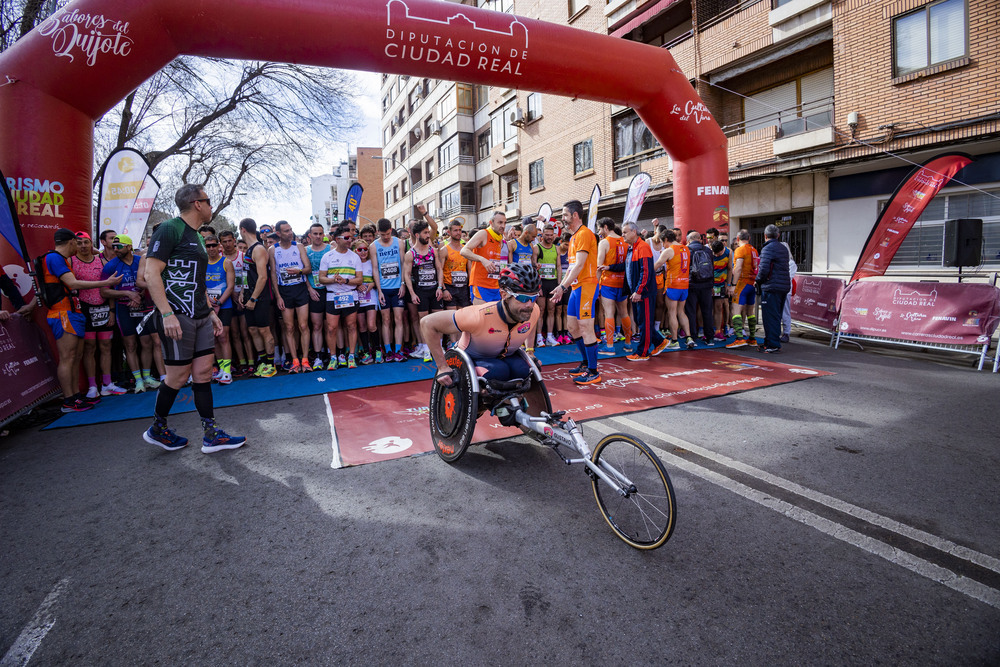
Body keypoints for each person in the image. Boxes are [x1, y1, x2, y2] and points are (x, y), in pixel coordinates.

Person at [142, 185, 245, 453]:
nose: (212, 206)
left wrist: (210, 312)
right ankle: (158, 428)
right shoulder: (169, 229)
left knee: (202, 373)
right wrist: (166, 314)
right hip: (177, 314)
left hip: (200, 314)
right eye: (208, 201)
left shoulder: (198, 236)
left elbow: (196, 281)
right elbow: (151, 274)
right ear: (197, 204)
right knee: (177, 376)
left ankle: (211, 434)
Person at [39, 228, 122, 412]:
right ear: (71, 242)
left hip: (72, 311)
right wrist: (105, 283)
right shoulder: (54, 258)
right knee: (68, 357)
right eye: (77, 243)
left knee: (75, 356)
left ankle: (76, 396)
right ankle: (68, 400)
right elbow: (73, 283)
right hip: (62, 313)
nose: (80, 247)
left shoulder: (61, 259)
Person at [422, 264, 541, 386]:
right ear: (504, 295)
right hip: (473, 358)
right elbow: (427, 323)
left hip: (506, 357)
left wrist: (530, 351)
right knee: (499, 371)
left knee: (524, 370)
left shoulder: (533, 310)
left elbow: (529, 326)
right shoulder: (478, 316)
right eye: (522, 298)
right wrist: (442, 367)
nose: (529, 305)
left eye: (534, 297)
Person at [550, 200, 601, 386]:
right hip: (576, 287)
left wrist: (562, 287)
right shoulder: (573, 238)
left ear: (575, 215)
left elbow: (579, 265)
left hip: (587, 285)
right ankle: (587, 363)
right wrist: (564, 286)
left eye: (564, 215)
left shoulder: (585, 234)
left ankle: (594, 371)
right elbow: (572, 267)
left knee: (586, 327)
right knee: (572, 327)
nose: (562, 218)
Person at [101, 234, 161, 393]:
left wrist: (139, 295)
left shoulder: (140, 260)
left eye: (119, 246)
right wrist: (127, 294)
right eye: (114, 246)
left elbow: (148, 281)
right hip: (124, 308)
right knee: (130, 344)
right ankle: (138, 380)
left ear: (129, 247)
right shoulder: (110, 266)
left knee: (147, 343)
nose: (115, 249)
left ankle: (147, 377)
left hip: (143, 306)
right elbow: (104, 291)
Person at [600, 221, 668, 361]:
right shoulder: (632, 248)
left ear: (634, 232)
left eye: (625, 232)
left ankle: (643, 352)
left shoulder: (642, 247)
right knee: (640, 320)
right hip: (637, 292)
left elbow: (646, 271)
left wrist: (639, 291)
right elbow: (626, 267)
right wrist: (609, 267)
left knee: (644, 322)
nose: (622, 234)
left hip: (644, 293)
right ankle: (660, 342)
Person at [71, 231, 120, 398]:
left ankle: (108, 384)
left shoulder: (100, 260)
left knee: (106, 346)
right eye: (79, 243)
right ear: (74, 245)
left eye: (86, 242)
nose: (83, 246)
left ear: (91, 243)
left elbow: (110, 288)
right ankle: (93, 386)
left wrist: (112, 311)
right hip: (84, 308)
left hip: (104, 306)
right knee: (89, 348)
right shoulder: (71, 262)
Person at [270, 220, 316, 372]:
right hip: (284, 291)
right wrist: (278, 296)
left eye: (290, 230)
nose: (290, 233)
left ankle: (305, 360)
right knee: (289, 327)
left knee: (303, 325)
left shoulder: (299, 246)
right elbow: (273, 275)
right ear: (278, 233)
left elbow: (308, 268)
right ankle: (295, 361)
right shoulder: (273, 250)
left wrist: (299, 272)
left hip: (300, 289)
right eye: (286, 231)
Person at [320, 222, 362, 369]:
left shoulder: (355, 257)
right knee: (332, 328)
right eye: (346, 237)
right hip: (333, 296)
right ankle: (333, 357)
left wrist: (346, 280)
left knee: (351, 326)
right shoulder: (327, 256)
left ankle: (351, 356)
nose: (350, 240)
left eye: (351, 237)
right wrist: (333, 280)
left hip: (350, 295)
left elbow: (359, 280)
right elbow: (321, 279)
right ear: (337, 239)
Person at [239, 218, 277, 377]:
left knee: (264, 330)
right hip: (248, 295)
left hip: (260, 297)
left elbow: (262, 277)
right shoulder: (248, 249)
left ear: (242, 230)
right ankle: (262, 362)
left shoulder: (259, 249)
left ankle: (270, 364)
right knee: (253, 330)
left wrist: (253, 299)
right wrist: (242, 292)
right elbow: (247, 274)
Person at [402, 220, 443, 363]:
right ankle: (426, 348)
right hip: (421, 291)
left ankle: (438, 347)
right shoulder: (410, 254)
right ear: (417, 234)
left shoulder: (433, 250)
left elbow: (439, 269)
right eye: (425, 233)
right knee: (423, 321)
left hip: (434, 290)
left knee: (439, 320)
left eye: (428, 232)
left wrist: (440, 287)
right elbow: (406, 275)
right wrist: (412, 293)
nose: (428, 235)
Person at [370, 218, 407, 362]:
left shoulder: (399, 243)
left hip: (398, 287)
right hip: (384, 288)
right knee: (386, 320)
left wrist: (403, 283)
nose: (385, 237)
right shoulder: (373, 246)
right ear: (377, 232)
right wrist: (379, 291)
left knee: (398, 319)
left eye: (387, 234)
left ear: (391, 230)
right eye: (382, 235)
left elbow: (403, 263)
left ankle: (398, 350)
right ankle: (388, 351)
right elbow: (375, 269)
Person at [595, 217, 632, 355]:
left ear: (605, 227)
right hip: (623, 282)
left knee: (609, 313)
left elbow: (599, 267)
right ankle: (628, 344)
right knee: (624, 313)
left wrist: (596, 286)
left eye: (599, 229)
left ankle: (610, 346)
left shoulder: (604, 242)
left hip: (608, 282)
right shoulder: (625, 241)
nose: (599, 232)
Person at [654, 230, 695, 350]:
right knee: (681, 312)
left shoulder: (669, 250)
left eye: (662, 242)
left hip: (673, 285)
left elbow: (657, 265)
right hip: (684, 285)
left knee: (672, 313)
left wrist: (645, 272)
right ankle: (689, 337)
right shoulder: (685, 249)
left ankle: (675, 340)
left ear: (666, 239)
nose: (662, 245)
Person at [220, 230, 253, 376]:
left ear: (234, 240)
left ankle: (251, 362)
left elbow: (246, 277)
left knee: (245, 332)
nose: (227, 244)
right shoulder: (219, 258)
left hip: (242, 297)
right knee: (234, 333)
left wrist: (241, 294)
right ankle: (242, 363)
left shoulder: (243, 256)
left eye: (229, 241)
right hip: (227, 299)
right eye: (224, 241)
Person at [204, 235, 235, 383]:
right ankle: (222, 368)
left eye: (213, 245)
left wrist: (219, 303)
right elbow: (200, 286)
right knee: (214, 338)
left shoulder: (226, 262)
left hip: (224, 305)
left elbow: (230, 286)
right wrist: (210, 305)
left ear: (218, 246)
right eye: (208, 246)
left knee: (223, 337)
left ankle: (228, 371)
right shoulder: (202, 263)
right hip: (208, 306)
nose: (211, 248)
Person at [756, 224, 791, 353]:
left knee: (770, 317)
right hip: (783, 286)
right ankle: (771, 341)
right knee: (776, 316)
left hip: (771, 287)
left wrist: (758, 280)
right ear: (778, 235)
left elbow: (763, 269)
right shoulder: (783, 248)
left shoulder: (767, 248)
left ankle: (772, 344)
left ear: (765, 236)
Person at [461, 211, 508, 305]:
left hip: (495, 285)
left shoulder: (500, 238)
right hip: (480, 285)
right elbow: (464, 251)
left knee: (494, 317)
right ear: (491, 222)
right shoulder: (483, 234)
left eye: (504, 223)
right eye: (500, 222)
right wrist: (482, 259)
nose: (503, 225)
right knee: (481, 317)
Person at [726, 229, 759, 348]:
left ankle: (739, 338)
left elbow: (738, 267)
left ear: (738, 239)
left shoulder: (740, 250)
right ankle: (752, 338)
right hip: (751, 283)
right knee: (750, 312)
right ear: (749, 238)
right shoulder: (754, 250)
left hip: (742, 283)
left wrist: (733, 285)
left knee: (736, 310)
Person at [305, 222, 331, 369]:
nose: (318, 236)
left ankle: (331, 353)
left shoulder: (330, 249)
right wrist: (310, 289)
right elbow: (303, 273)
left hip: (329, 291)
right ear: (310, 236)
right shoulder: (305, 250)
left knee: (330, 326)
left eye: (320, 233)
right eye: (315, 233)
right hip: (314, 291)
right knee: (316, 325)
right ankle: (318, 357)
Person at [684, 230, 715, 346]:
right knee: (707, 311)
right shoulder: (708, 250)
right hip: (706, 284)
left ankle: (692, 337)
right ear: (700, 239)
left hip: (691, 285)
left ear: (688, 240)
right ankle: (710, 338)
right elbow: (712, 268)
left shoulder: (687, 250)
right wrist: (712, 284)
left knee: (691, 311)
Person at [533, 223, 562, 347]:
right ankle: (539, 337)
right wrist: (537, 284)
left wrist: (560, 284)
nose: (549, 237)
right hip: (541, 282)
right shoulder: (536, 248)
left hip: (553, 282)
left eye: (551, 235)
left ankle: (550, 336)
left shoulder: (556, 248)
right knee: (541, 310)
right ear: (542, 235)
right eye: (547, 235)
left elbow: (559, 266)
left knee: (551, 309)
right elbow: (533, 267)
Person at [353, 239, 378, 364]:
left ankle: (378, 350)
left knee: (371, 325)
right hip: (358, 298)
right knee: (362, 326)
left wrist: (372, 284)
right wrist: (357, 286)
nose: (363, 252)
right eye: (359, 250)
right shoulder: (352, 263)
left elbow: (376, 279)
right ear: (355, 251)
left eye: (365, 249)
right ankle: (367, 352)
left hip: (371, 297)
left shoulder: (371, 262)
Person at [781, 240, 797, 343]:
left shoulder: (791, 263)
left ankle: (786, 332)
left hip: (785, 290)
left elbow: (788, 277)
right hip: (778, 289)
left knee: (785, 312)